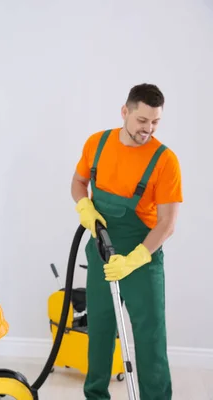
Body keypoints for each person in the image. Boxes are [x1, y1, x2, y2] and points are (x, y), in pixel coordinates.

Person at [71, 83, 182, 400]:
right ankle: (95, 394)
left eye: (155, 122)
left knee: (149, 337)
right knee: (100, 330)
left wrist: (134, 259)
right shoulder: (98, 144)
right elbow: (79, 182)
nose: (148, 129)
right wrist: (84, 207)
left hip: (143, 257)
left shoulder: (164, 161)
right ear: (125, 112)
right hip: (101, 253)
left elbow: (167, 223)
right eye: (142, 120)